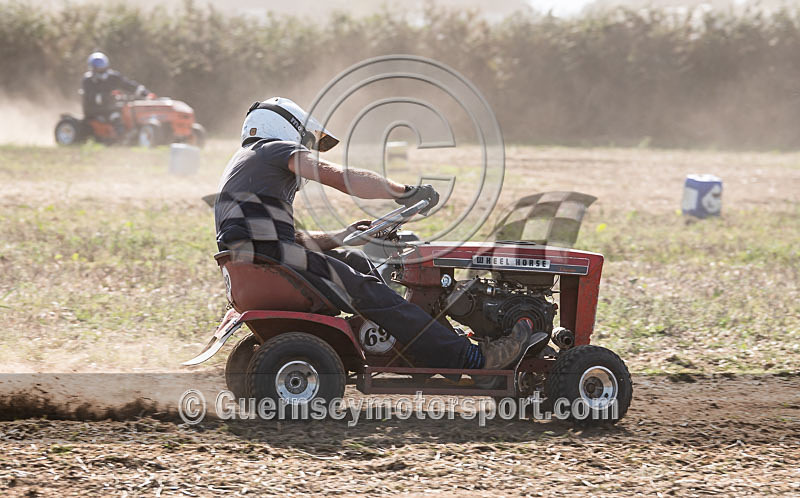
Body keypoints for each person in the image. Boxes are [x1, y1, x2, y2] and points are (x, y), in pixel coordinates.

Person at [214, 97, 539, 374]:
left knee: (355, 261)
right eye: (307, 140)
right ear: (286, 128)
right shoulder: (274, 149)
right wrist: (404, 191)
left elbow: (290, 238)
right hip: (273, 259)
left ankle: (406, 343)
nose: (309, 149)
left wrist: (341, 236)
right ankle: (469, 358)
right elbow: (342, 178)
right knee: (368, 289)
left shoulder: (247, 164)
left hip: (259, 260)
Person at [80, 52, 149, 136]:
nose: (102, 71)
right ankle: (121, 136)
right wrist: (108, 97)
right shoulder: (88, 81)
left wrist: (143, 92)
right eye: (99, 69)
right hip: (95, 110)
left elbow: (127, 84)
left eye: (103, 68)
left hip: (111, 106)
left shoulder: (113, 76)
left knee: (127, 108)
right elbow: (91, 97)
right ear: (93, 69)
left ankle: (135, 130)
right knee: (115, 116)